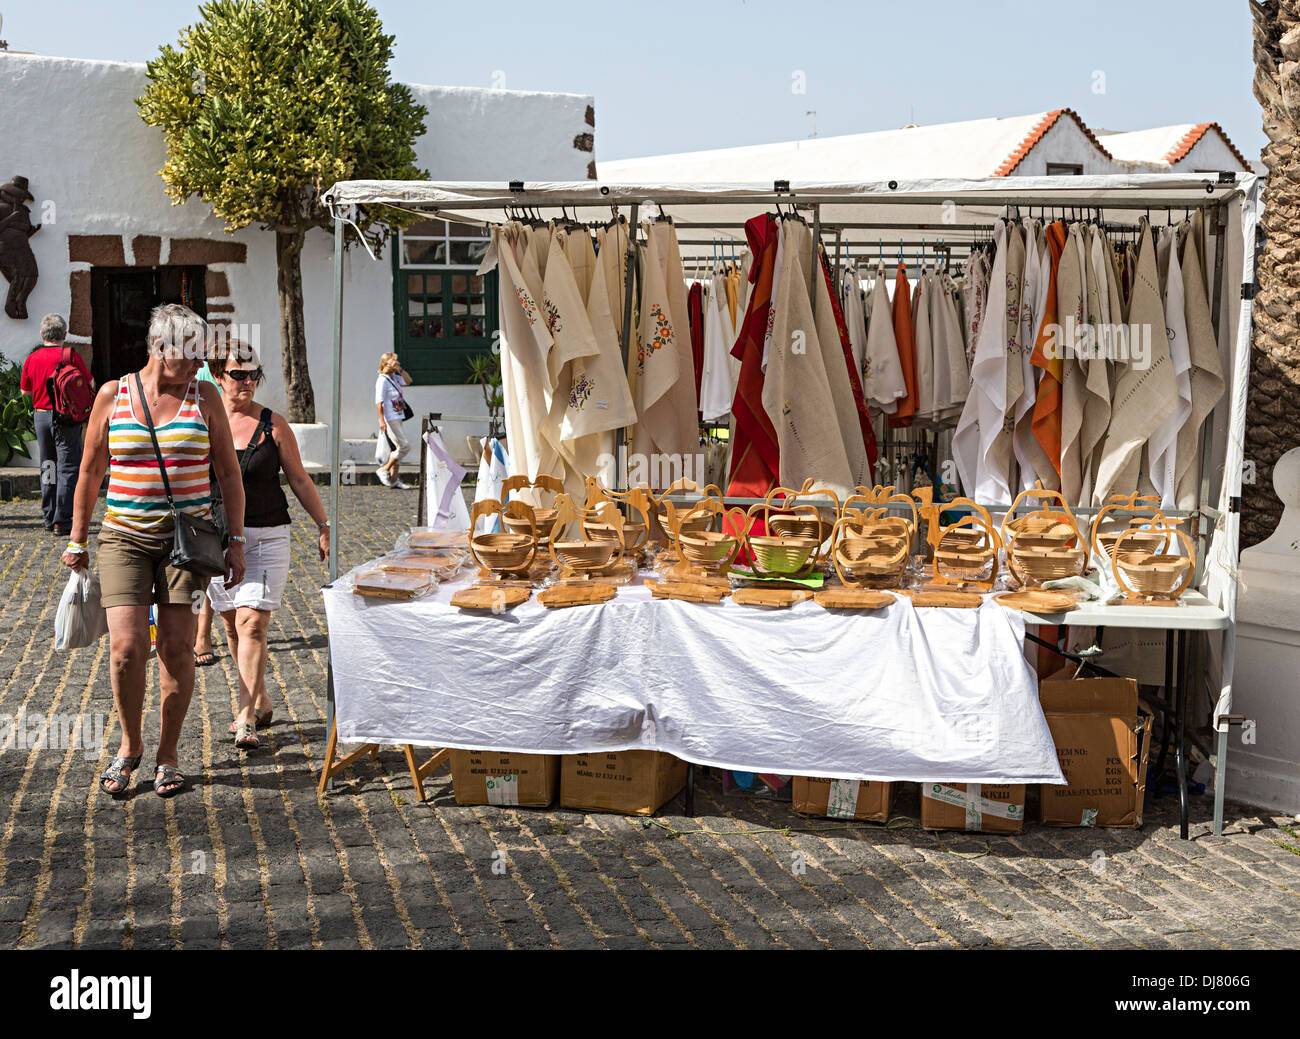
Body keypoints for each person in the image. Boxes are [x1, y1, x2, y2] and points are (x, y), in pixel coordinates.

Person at [63, 303, 246, 799]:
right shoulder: (111, 394)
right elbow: (89, 471)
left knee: (175, 648)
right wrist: (78, 537)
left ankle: (168, 754)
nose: (197, 366)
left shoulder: (204, 396)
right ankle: (129, 746)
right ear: (158, 348)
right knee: (125, 649)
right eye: (189, 356)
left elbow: (229, 473)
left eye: (200, 356)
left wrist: (236, 541)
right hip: (123, 537)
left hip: (186, 544)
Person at [206, 342, 330, 749]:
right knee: (230, 624)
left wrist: (324, 524)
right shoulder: (204, 421)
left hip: (267, 536)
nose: (247, 381)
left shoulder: (274, 425)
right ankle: (259, 699)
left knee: (253, 623)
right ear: (218, 376)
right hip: (216, 538)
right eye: (237, 374)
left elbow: (298, 479)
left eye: (253, 374)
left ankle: (244, 718)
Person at [20, 314, 92, 535]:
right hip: (66, 417)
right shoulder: (70, 355)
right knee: (68, 467)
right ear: (65, 334)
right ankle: (63, 519)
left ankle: (48, 515)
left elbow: (25, 391)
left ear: (42, 335)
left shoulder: (32, 359)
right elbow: (89, 383)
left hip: (41, 416)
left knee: (47, 465)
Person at [374, 353, 413, 488]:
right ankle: (384, 470)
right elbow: (378, 402)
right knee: (405, 446)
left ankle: (394, 479)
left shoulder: (395, 378)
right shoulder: (382, 380)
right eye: (394, 361)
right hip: (390, 418)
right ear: (386, 363)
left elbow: (409, 381)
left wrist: (400, 370)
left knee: (398, 449)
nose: (398, 363)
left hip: (399, 416)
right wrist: (381, 421)